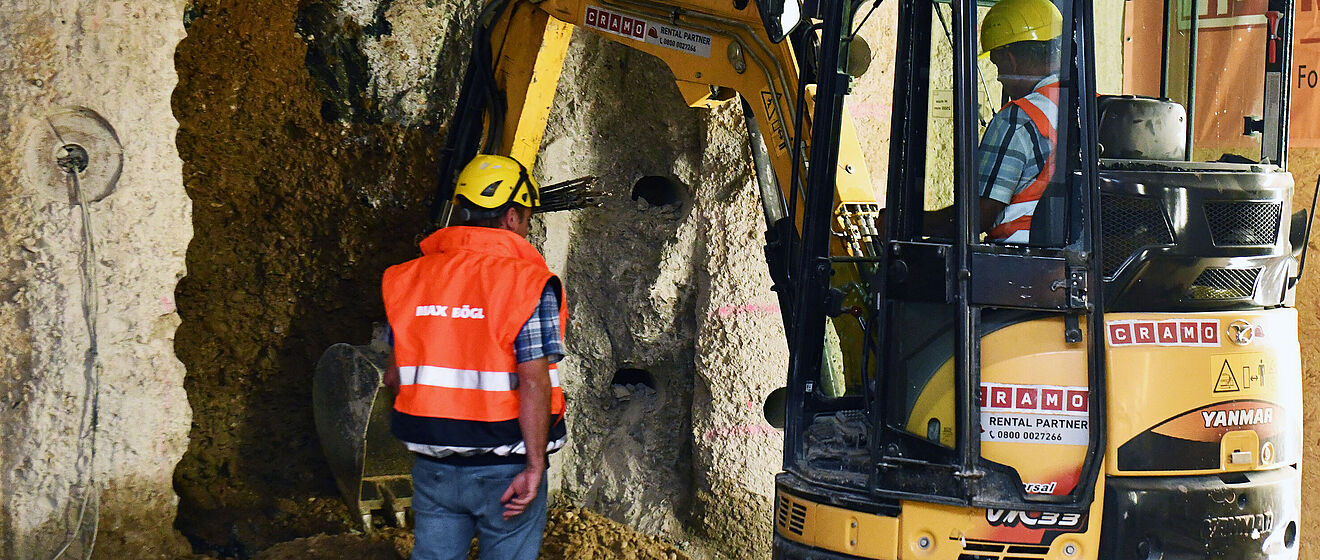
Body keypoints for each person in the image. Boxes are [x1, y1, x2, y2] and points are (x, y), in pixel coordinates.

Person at [381, 154, 567, 560]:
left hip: (433, 466)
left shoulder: (407, 277)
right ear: (513, 217)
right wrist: (535, 467)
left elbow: (393, 376)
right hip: (506, 467)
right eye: (528, 218)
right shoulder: (527, 283)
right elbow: (533, 380)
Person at [890, 0, 1062, 243]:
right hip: (1067, 263)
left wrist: (903, 222)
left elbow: (977, 216)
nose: (1000, 78)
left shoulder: (1019, 117)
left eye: (997, 65)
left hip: (1017, 263)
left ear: (1010, 58)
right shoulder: (1089, 105)